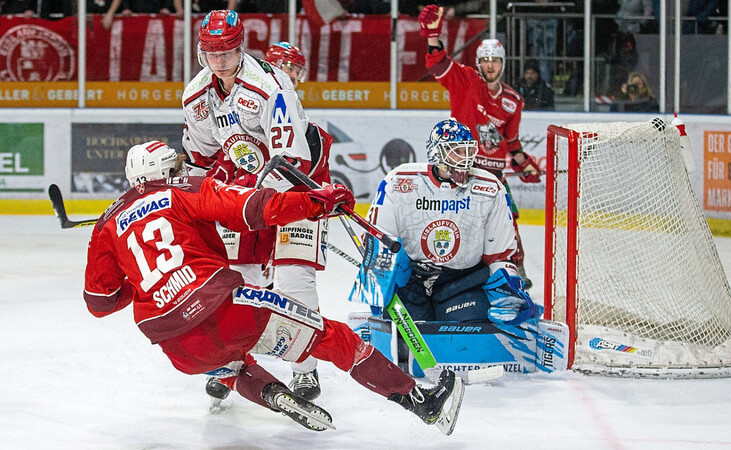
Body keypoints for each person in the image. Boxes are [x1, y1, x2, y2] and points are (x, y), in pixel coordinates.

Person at [83, 140, 464, 433]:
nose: (185, 167)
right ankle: (420, 400)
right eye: (177, 165)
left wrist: (141, 280)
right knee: (334, 336)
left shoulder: (105, 226)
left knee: (228, 366)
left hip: (179, 349)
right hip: (229, 311)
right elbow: (253, 208)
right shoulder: (183, 189)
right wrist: (315, 202)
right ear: (163, 171)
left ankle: (271, 392)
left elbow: (99, 302)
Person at [181, 12, 331, 403]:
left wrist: (249, 202)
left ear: (240, 46)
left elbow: (291, 160)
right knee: (241, 278)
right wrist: (195, 198)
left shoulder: (269, 86)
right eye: (213, 53)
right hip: (246, 190)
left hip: (299, 186)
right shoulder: (196, 96)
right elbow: (200, 159)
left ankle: (306, 369)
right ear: (202, 53)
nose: (221, 61)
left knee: (295, 278)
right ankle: (234, 362)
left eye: (228, 50)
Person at [362, 118, 541, 327]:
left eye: (468, 152)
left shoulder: (490, 188)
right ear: (436, 153)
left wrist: (508, 289)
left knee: (469, 333)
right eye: (457, 151)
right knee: (402, 335)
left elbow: (499, 254)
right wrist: (377, 285)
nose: (465, 160)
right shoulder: (400, 181)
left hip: (462, 283)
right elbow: (379, 240)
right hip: (411, 282)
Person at [418, 4, 542, 288]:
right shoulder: (465, 81)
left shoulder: (513, 100)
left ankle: (515, 272)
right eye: (485, 60)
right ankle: (445, 271)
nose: (490, 65)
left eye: (495, 60)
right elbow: (438, 64)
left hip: (495, 177)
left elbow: (511, 142)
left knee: (507, 222)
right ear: (478, 62)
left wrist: (524, 165)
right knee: (455, 219)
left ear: (502, 63)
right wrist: (433, 35)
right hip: (463, 170)